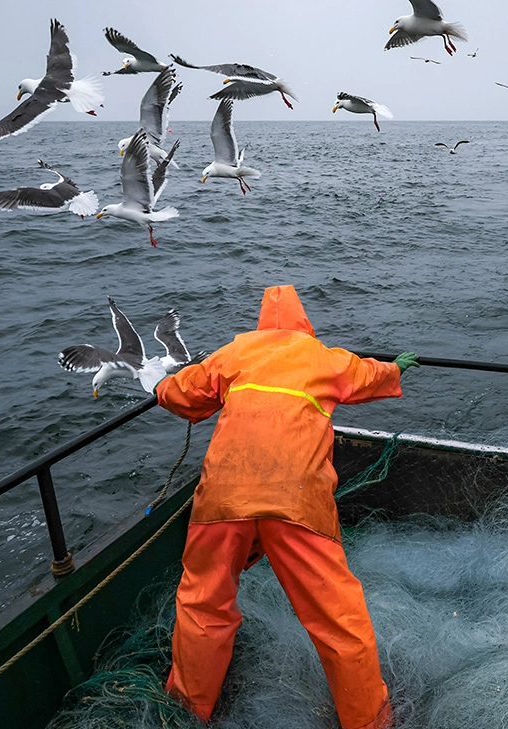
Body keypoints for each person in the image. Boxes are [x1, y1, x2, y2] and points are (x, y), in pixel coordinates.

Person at [154, 284, 418, 728]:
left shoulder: (232, 353)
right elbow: (369, 375)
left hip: (222, 499)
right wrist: (395, 369)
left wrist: (163, 386)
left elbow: (179, 394)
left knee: (203, 606)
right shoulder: (324, 356)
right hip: (296, 503)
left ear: (261, 323)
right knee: (338, 619)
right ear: (304, 323)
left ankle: (187, 710)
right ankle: (367, 720)